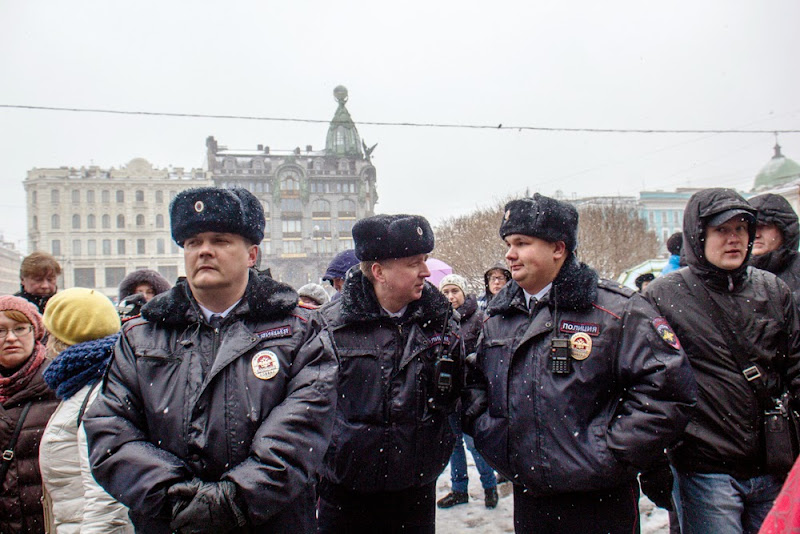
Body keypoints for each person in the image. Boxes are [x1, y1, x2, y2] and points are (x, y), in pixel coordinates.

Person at [84, 187, 338, 533]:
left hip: (271, 523)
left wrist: (234, 501)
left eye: (220, 240)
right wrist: (178, 499)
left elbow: (302, 429)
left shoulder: (299, 330)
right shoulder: (140, 335)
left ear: (252, 254)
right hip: (171, 522)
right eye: (193, 242)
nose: (204, 250)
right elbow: (111, 433)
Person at [469, 194, 696, 534]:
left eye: (521, 243)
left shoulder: (616, 310)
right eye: (508, 243)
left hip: (601, 500)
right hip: (531, 496)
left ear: (558, 248)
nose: (509, 254)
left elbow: (667, 391)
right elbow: (477, 386)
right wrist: (496, 439)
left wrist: (608, 454)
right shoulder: (500, 317)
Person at [646, 188, 800, 534]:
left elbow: (796, 368)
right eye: (721, 230)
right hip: (705, 472)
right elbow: (650, 386)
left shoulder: (774, 291)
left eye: (740, 230)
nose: (733, 240)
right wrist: (654, 462)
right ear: (698, 235)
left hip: (773, 465)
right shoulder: (663, 296)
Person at [317, 214, 464, 533]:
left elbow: (459, 397)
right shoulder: (327, 327)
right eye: (413, 263)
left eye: (424, 260)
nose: (425, 271)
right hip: (344, 496)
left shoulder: (442, 322)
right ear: (378, 271)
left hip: (415, 495)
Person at [39, 287, 132, 533]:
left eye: (48, 334)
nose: (45, 344)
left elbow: (106, 498)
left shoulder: (97, 391)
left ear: (61, 338)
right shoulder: (86, 382)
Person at [436, 273, 498, 510]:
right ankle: (459, 489)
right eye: (446, 292)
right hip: (449, 393)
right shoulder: (440, 319)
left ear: (463, 293)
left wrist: (472, 361)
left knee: (475, 443)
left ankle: (489, 486)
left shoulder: (480, 318)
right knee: (453, 444)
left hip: (473, 393)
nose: (451, 297)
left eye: (455, 291)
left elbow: (487, 352)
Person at [0, 296, 59, 534]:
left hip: (45, 524)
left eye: (20, 328)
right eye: (0, 331)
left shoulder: (58, 384)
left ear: (35, 331)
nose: (11, 338)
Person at [749, 193, 800, 300]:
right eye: (751, 228)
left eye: (764, 227)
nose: (756, 235)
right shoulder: (736, 277)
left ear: (784, 230)